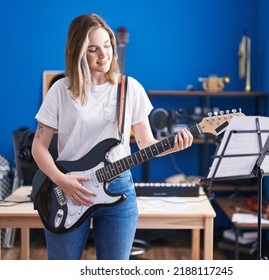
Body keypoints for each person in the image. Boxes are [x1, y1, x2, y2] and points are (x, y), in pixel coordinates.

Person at [31, 13, 193, 260]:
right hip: (69, 189)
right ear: (78, 53)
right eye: (93, 49)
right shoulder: (60, 91)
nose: (104, 55)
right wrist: (60, 179)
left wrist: (175, 145)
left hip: (118, 188)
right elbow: (38, 147)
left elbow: (146, 144)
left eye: (107, 45)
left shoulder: (130, 89)